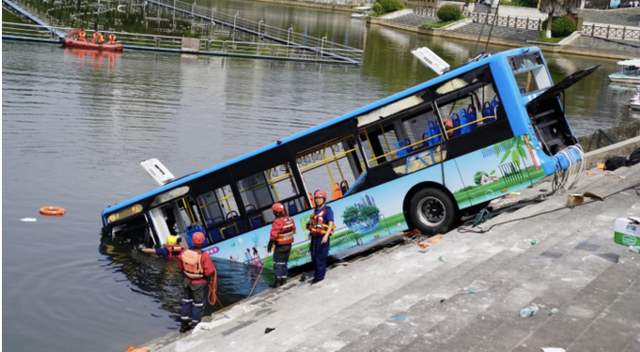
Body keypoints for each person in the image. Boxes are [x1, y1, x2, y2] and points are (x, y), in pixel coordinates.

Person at [177, 232, 216, 333]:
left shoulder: (184, 253)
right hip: (198, 282)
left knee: (186, 301)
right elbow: (209, 271)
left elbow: (180, 267)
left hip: (187, 281)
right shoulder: (204, 255)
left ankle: (184, 325)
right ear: (203, 241)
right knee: (198, 304)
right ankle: (195, 324)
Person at [306, 190, 335, 284]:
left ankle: (319, 278)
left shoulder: (328, 210)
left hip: (322, 237)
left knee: (320, 257)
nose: (317, 200)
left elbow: (330, 223)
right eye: (316, 198)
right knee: (314, 257)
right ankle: (317, 275)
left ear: (324, 199)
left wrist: (326, 236)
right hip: (315, 238)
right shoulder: (316, 210)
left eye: (319, 198)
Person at [267, 202, 296, 288]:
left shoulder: (277, 222)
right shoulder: (290, 219)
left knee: (277, 263)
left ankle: (277, 281)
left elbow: (274, 234)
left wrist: (271, 243)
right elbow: (294, 230)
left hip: (280, 246)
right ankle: (284, 279)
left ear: (275, 212)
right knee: (284, 263)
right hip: (289, 245)